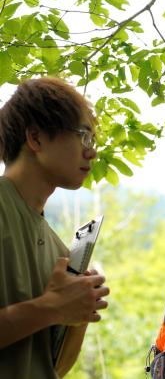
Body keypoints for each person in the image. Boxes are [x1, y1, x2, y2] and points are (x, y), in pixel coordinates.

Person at [0, 77, 110, 378]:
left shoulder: (61, 252)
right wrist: (51, 307)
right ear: (35, 138)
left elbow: (56, 367)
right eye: (83, 136)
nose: (92, 152)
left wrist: (79, 310)